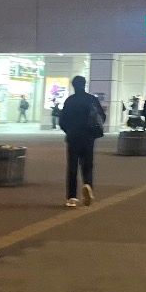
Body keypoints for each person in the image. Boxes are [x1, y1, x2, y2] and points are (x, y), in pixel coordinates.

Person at [58, 75, 106, 208]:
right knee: (87, 165)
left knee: (72, 167)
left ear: (73, 86)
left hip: (73, 137)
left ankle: (72, 198)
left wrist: (69, 131)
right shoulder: (91, 99)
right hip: (88, 137)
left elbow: (62, 121)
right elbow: (101, 117)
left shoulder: (69, 100)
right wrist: (93, 132)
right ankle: (87, 186)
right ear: (85, 84)